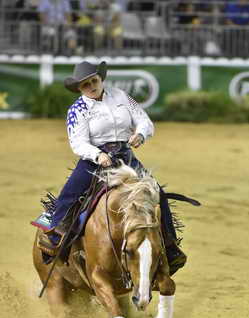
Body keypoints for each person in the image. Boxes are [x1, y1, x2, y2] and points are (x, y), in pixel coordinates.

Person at [41, 60, 186, 275]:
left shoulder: (121, 96)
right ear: (79, 88)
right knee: (69, 196)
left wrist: (140, 134)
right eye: (85, 84)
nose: (91, 86)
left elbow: (144, 120)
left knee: (157, 194)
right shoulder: (77, 109)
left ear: (101, 79)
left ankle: (170, 246)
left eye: (94, 80)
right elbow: (77, 143)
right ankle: (56, 240)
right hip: (94, 161)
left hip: (126, 156)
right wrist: (97, 155)